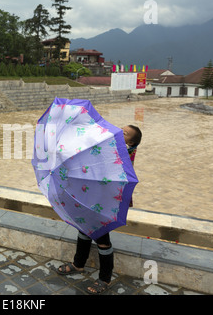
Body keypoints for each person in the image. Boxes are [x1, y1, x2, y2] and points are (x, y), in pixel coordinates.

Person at [56, 124, 142, 295]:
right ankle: (78, 264)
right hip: (93, 197)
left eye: (124, 133)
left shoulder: (122, 152)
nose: (119, 132)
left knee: (102, 238)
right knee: (84, 229)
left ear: (131, 143)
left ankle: (105, 278)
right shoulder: (110, 146)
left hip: (106, 201)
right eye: (121, 129)